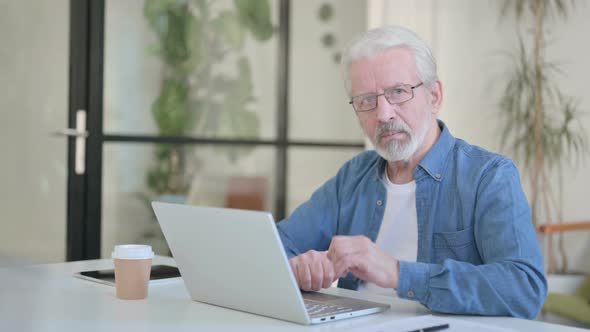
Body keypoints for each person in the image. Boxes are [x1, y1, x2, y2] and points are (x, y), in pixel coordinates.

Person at [276, 25, 547, 319]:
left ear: (434, 96)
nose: (383, 114)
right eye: (367, 100)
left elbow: (524, 289)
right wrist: (299, 268)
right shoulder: (354, 176)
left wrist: (397, 273)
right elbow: (276, 247)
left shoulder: (489, 176)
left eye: (398, 92)